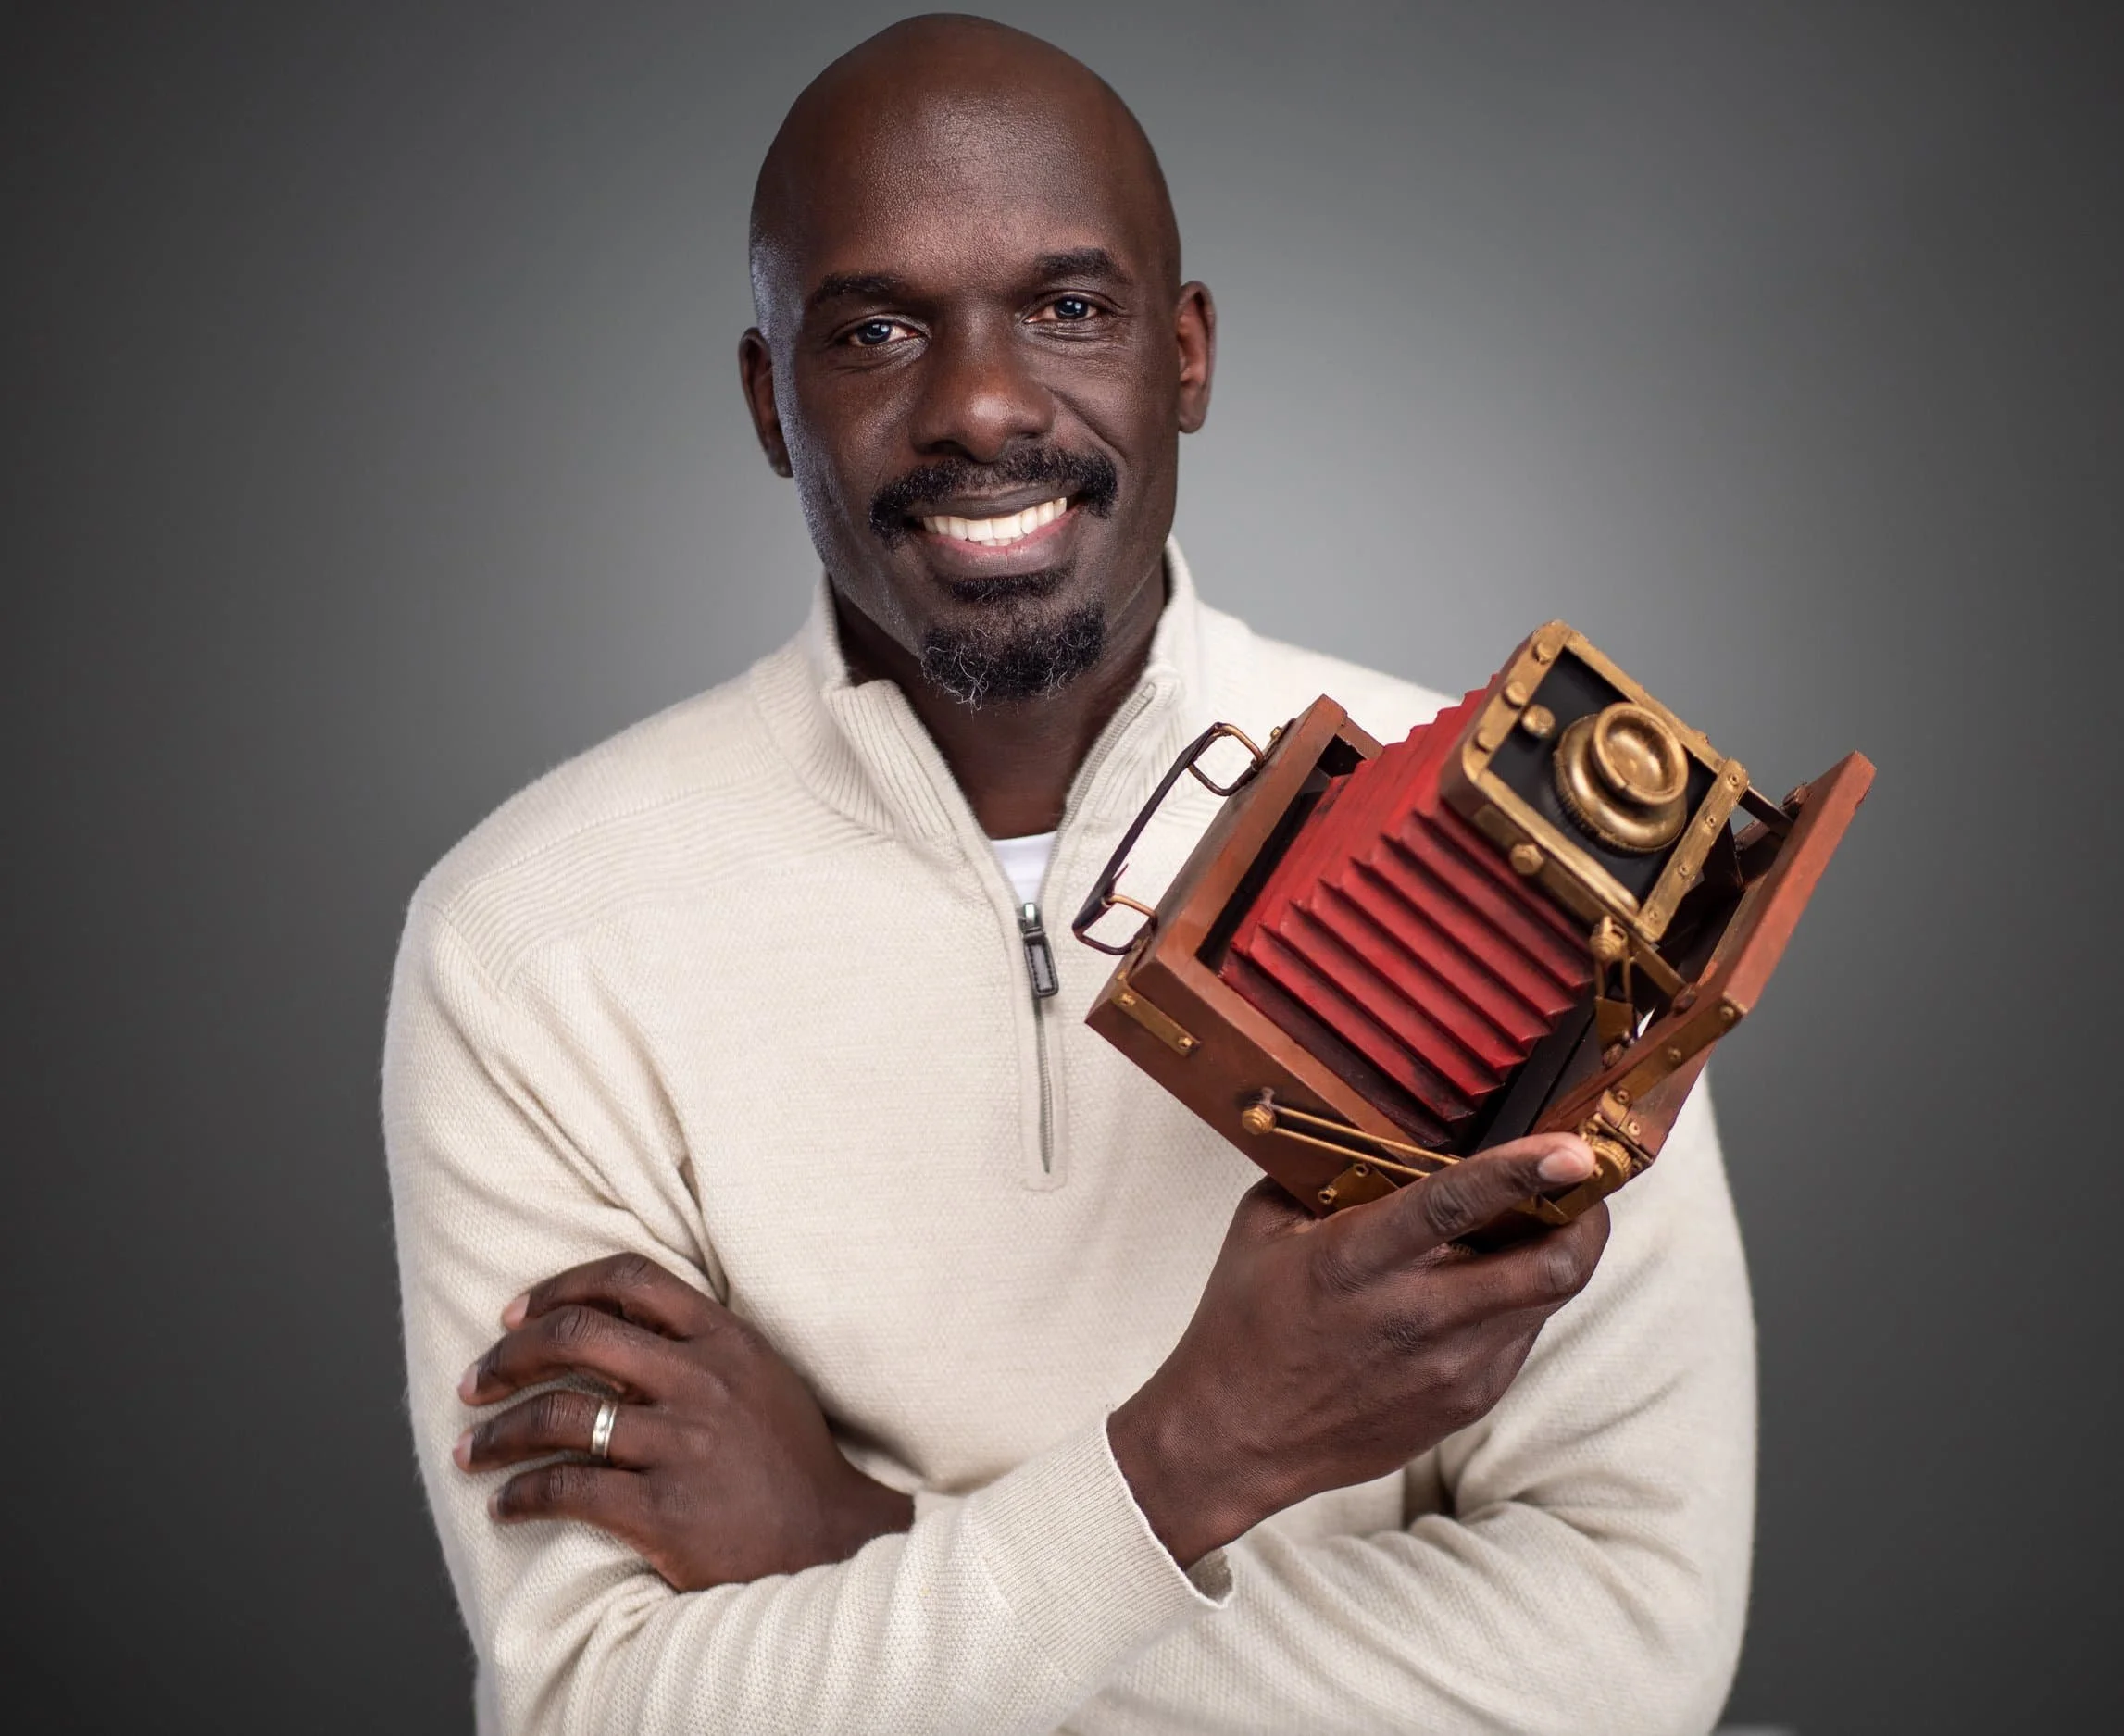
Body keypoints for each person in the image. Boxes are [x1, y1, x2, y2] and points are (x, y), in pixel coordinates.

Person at [382, 15, 1755, 1733]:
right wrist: (1176, 1481)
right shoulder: (534, 939)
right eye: (875, 328)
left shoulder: (1527, 843)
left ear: (1185, 354)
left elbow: (1631, 1648)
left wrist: (875, 1539)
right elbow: (607, 1706)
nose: (979, 405)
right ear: (768, 398)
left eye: (1069, 308)